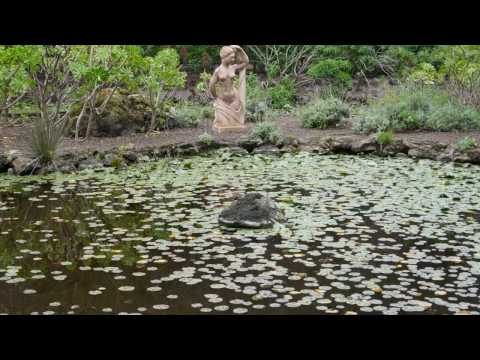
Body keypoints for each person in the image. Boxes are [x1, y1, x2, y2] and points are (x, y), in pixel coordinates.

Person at [209, 45, 249, 133]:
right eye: (231, 57)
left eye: (234, 58)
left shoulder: (233, 67)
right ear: (224, 57)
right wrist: (216, 97)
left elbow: (246, 62)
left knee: (235, 123)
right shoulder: (218, 71)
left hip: (235, 99)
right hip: (223, 101)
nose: (233, 59)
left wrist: (240, 49)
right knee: (223, 123)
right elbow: (211, 86)